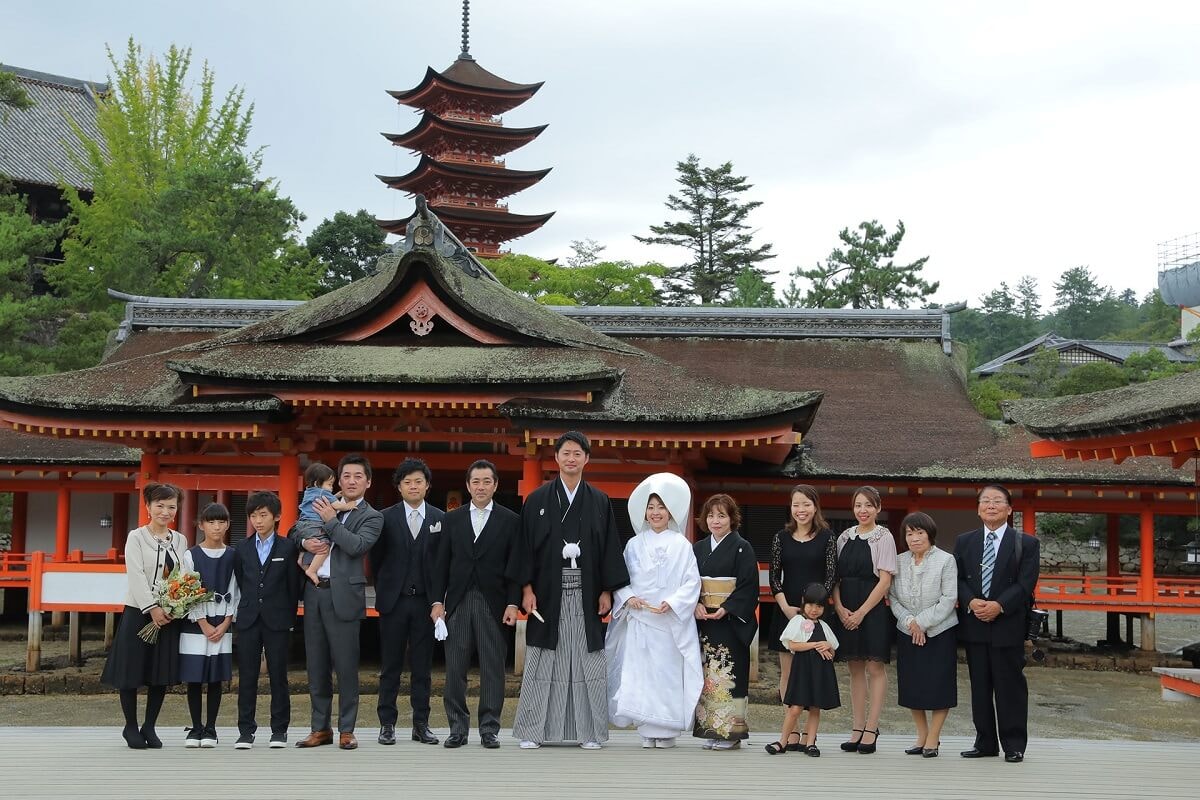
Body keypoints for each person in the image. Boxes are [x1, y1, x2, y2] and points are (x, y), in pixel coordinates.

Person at [510, 431, 630, 750]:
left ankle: (589, 732)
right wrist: (526, 588)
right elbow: (524, 549)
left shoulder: (600, 501)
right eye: (566, 453)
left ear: (587, 459)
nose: (571, 458)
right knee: (543, 659)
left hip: (587, 592)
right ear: (557, 458)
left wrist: (607, 590)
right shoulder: (537, 500)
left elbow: (608, 549)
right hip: (547, 593)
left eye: (578, 453)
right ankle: (534, 731)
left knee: (586, 659)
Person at [293, 453, 384, 751]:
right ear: (339, 479)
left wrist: (331, 522)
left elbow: (356, 546)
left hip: (345, 594)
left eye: (358, 476)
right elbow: (296, 528)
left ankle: (347, 729)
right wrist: (304, 541)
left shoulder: (371, 516)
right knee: (316, 664)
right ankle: (320, 728)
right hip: (316, 591)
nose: (351, 481)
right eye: (346, 476)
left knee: (345, 666)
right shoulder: (321, 500)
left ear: (368, 482)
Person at [429, 460, 521, 749]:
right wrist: (436, 602)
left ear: (495, 485)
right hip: (457, 601)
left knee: (493, 667)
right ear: (468, 486)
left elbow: (515, 567)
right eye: (476, 482)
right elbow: (439, 565)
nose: (481, 487)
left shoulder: (510, 520)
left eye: (486, 481)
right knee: (455, 667)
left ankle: (489, 728)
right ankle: (457, 727)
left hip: (493, 602)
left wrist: (512, 603)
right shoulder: (451, 520)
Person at [606, 473, 703, 749]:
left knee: (666, 674)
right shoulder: (634, 545)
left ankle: (667, 730)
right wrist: (628, 597)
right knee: (641, 675)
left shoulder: (682, 544)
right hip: (640, 620)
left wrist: (672, 602)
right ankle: (647, 730)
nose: (656, 512)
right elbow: (620, 578)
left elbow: (691, 581)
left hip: (668, 620)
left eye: (660, 507)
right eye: (651, 507)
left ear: (669, 511)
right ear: (644, 513)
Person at [955, 484, 1039, 763]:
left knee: (1010, 686)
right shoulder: (965, 541)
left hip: (1008, 623)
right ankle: (985, 742)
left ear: (1009, 509)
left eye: (997, 501)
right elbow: (958, 579)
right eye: (985, 501)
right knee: (979, 686)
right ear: (978, 509)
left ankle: (1014, 744)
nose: (991, 505)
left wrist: (999, 605)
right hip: (975, 622)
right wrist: (970, 601)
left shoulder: (1025, 543)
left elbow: (1026, 584)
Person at [101, 482, 188, 749]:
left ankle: (150, 725)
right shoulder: (136, 537)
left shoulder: (181, 539)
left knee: (159, 670)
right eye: (159, 505)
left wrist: (177, 605)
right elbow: (136, 575)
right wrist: (152, 608)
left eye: (171, 506)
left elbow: (182, 576)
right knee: (132, 669)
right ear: (148, 506)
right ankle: (130, 725)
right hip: (140, 613)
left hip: (169, 615)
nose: (165, 511)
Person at [371, 457, 445, 746]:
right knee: (390, 666)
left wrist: (439, 600)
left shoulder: (441, 518)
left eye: (418, 481)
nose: (413, 486)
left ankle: (421, 724)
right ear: (398, 487)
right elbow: (376, 561)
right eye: (407, 482)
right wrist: (388, 588)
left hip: (426, 603)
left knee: (423, 667)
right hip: (394, 602)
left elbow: (443, 563)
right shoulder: (384, 517)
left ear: (427, 485)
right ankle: (387, 724)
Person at [767, 484, 836, 751]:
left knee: (814, 672)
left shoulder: (827, 537)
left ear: (815, 506)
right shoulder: (780, 538)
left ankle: (810, 736)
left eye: (806, 504)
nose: (801, 510)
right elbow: (774, 576)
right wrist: (785, 606)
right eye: (796, 504)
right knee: (788, 673)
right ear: (791, 507)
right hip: (787, 610)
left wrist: (813, 608)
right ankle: (791, 731)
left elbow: (831, 576)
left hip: (816, 613)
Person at [832, 485, 897, 755]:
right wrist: (839, 608)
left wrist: (860, 612)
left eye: (869, 505)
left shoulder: (884, 537)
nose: (863, 510)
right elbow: (834, 578)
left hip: (872, 609)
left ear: (878, 508)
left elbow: (885, 580)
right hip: (845, 606)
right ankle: (857, 727)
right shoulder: (844, 537)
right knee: (854, 669)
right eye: (858, 505)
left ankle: (872, 727)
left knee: (874, 668)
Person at [233, 491, 301, 749]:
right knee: (247, 675)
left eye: (263, 515)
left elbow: (293, 586)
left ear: (277, 516)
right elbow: (242, 580)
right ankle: (246, 731)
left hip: (278, 618)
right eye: (253, 516)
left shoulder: (288, 547)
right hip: (249, 618)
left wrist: (290, 617)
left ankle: (279, 730)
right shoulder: (242, 548)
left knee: (278, 675)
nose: (258, 521)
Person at [692, 493, 759, 750]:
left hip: (730, 622)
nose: (715, 520)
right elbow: (688, 583)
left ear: (732, 519)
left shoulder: (743, 547)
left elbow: (748, 585)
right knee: (708, 676)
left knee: (729, 675)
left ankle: (730, 734)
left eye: (722, 515)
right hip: (705, 620)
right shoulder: (698, 549)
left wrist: (728, 607)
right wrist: (695, 603)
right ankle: (712, 729)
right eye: (711, 515)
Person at [889, 512, 958, 758]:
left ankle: (934, 737)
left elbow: (949, 598)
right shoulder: (897, 561)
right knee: (912, 686)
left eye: (920, 532)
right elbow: (893, 598)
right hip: (907, 631)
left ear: (930, 534)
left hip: (940, 632)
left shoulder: (946, 560)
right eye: (909, 533)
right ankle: (921, 735)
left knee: (940, 687)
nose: (914, 538)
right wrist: (910, 622)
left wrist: (922, 622)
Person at [179, 502, 238, 748]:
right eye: (211, 522)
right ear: (201, 525)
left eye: (221, 522)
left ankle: (211, 728)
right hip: (196, 623)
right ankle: (196, 728)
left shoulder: (234, 555)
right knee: (195, 677)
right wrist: (202, 622)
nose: (216, 527)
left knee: (215, 678)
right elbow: (187, 590)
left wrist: (226, 622)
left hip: (222, 621)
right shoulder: (190, 555)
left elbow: (236, 590)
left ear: (227, 525)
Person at [766, 583, 840, 756]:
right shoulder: (797, 621)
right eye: (811, 605)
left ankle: (810, 741)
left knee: (815, 707)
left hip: (820, 671)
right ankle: (783, 740)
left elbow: (833, 649)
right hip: (802, 671)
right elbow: (792, 645)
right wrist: (814, 644)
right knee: (795, 708)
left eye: (819, 606)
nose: (814, 610)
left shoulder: (824, 625)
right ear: (803, 603)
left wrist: (828, 645)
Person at [296, 463, 354, 585]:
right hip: (315, 525)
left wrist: (335, 496)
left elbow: (323, 498)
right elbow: (337, 506)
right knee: (324, 547)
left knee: (309, 542)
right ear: (318, 483)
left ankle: (302, 561)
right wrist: (349, 505)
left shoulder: (309, 491)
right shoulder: (323, 493)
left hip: (302, 525)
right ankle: (311, 570)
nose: (331, 487)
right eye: (329, 484)